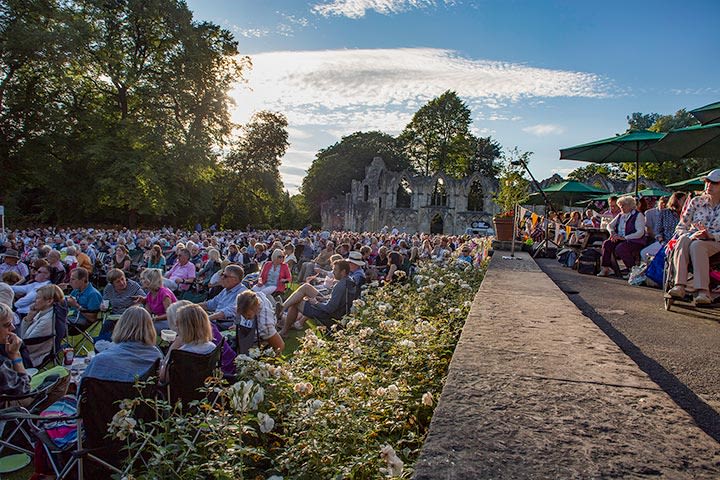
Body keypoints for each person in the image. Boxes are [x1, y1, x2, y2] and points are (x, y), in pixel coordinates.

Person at [668, 170, 720, 305]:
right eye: (707, 182)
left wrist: (711, 235)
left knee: (698, 245)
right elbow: (681, 227)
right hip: (692, 238)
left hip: (715, 242)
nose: (709, 185)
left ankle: (703, 292)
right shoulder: (696, 202)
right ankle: (679, 285)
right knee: (684, 239)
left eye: (714, 183)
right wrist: (692, 234)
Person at [82, 306, 162, 382]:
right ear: (150, 328)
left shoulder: (101, 360)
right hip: (141, 395)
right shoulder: (156, 357)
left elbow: (85, 388)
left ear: (121, 326)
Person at [280, 260, 356, 335]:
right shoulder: (348, 281)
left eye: (335, 270)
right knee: (306, 287)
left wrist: (316, 303)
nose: (333, 272)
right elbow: (338, 300)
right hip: (334, 309)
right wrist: (324, 298)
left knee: (296, 302)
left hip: (328, 315)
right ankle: (282, 308)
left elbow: (329, 308)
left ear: (343, 271)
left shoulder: (340, 286)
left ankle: (284, 329)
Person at [160, 304, 215, 382]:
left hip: (179, 392)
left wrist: (172, 349)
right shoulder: (212, 347)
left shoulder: (180, 354)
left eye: (178, 322)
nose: (176, 325)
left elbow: (163, 377)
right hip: (204, 389)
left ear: (185, 327)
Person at [597, 196, 646, 277]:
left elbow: (640, 232)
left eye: (623, 205)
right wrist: (612, 233)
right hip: (621, 239)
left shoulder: (638, 215)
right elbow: (609, 225)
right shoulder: (620, 215)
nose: (621, 207)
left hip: (635, 241)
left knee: (621, 248)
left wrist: (625, 238)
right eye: (620, 205)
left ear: (630, 205)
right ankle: (605, 268)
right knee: (607, 244)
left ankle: (632, 269)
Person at [19, 284, 64, 366]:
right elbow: (24, 337)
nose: (34, 301)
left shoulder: (47, 320)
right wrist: (29, 318)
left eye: (37, 298)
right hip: (28, 352)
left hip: (31, 357)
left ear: (49, 301)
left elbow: (28, 346)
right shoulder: (42, 312)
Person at [236, 290, 284, 354]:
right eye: (242, 314)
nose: (245, 317)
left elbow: (280, 346)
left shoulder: (264, 324)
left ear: (256, 308)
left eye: (248, 315)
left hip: (258, 342)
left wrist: (270, 360)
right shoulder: (255, 296)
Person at [641, 193, 685, 262]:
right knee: (644, 253)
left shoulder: (687, 213)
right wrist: (662, 241)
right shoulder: (664, 213)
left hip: (681, 243)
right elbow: (657, 230)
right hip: (665, 241)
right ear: (677, 201)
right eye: (684, 200)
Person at [0, 303, 30, 396]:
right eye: (7, 325)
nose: (13, 328)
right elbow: (23, 389)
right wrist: (15, 355)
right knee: (62, 377)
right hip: (7, 406)